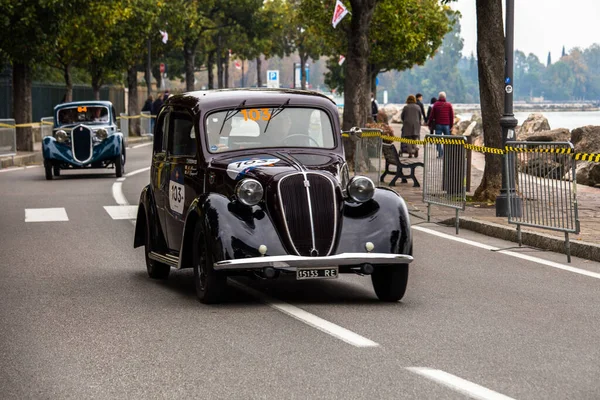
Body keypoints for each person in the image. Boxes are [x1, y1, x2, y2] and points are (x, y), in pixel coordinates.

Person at [430, 91, 454, 158]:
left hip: (438, 125)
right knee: (447, 140)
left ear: (439, 97)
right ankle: (447, 154)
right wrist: (451, 126)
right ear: (445, 97)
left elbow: (432, 116)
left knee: (438, 140)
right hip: (447, 125)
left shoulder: (435, 104)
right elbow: (451, 116)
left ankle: (441, 153)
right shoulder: (449, 105)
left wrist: (429, 124)